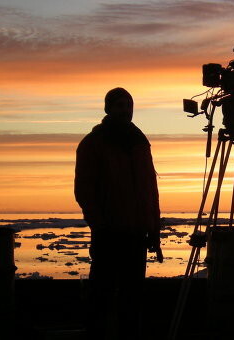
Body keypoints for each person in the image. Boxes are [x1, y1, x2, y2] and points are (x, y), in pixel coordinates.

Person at [75, 87, 163, 339]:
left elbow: (149, 190)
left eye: (128, 106)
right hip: (108, 232)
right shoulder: (93, 143)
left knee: (131, 296)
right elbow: (84, 190)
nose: (125, 111)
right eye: (119, 106)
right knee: (101, 294)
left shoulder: (138, 141)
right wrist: (99, 225)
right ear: (108, 109)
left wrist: (153, 230)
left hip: (136, 233)